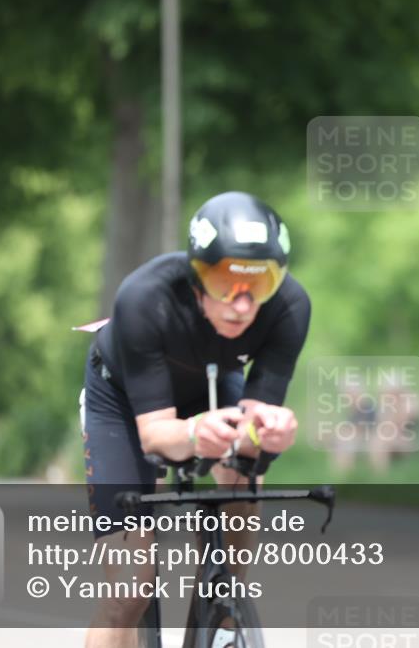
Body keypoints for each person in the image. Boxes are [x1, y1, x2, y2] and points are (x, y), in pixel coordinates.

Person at [80, 192, 309, 648]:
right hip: (124, 400)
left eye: (259, 285)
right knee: (130, 589)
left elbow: (253, 424)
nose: (242, 304)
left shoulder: (289, 308)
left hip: (211, 382)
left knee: (243, 476)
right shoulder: (144, 298)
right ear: (196, 276)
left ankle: (222, 615)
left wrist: (272, 432)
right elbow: (155, 436)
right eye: (226, 282)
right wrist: (190, 433)